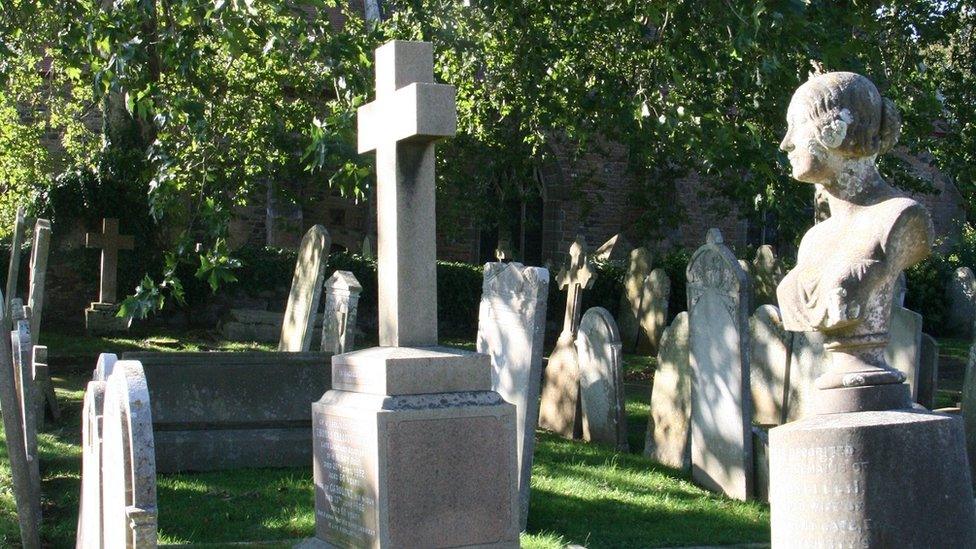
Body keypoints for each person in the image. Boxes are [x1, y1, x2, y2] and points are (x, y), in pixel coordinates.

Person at [776, 72, 933, 391]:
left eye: (797, 125)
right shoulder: (813, 240)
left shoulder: (899, 217)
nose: (786, 143)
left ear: (835, 130)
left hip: (873, 389)